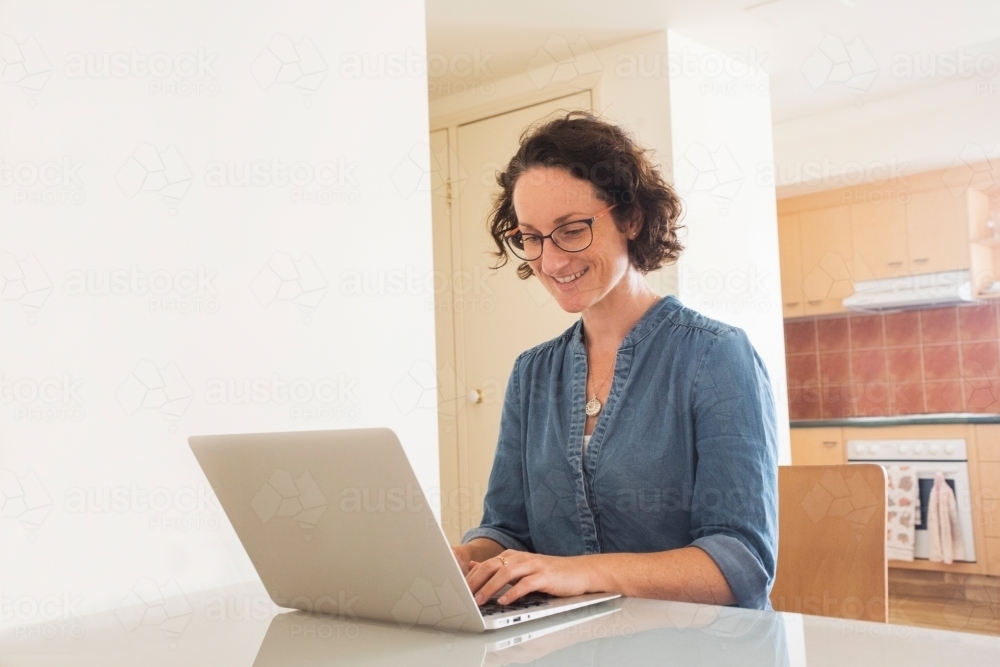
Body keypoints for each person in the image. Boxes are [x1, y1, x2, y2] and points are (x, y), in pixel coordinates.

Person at [451, 111, 778, 611]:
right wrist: (470, 559)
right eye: (531, 237)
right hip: (567, 645)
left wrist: (578, 573)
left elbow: (740, 565)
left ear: (631, 218)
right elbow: (508, 528)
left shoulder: (715, 355)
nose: (553, 261)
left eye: (572, 229)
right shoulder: (532, 373)